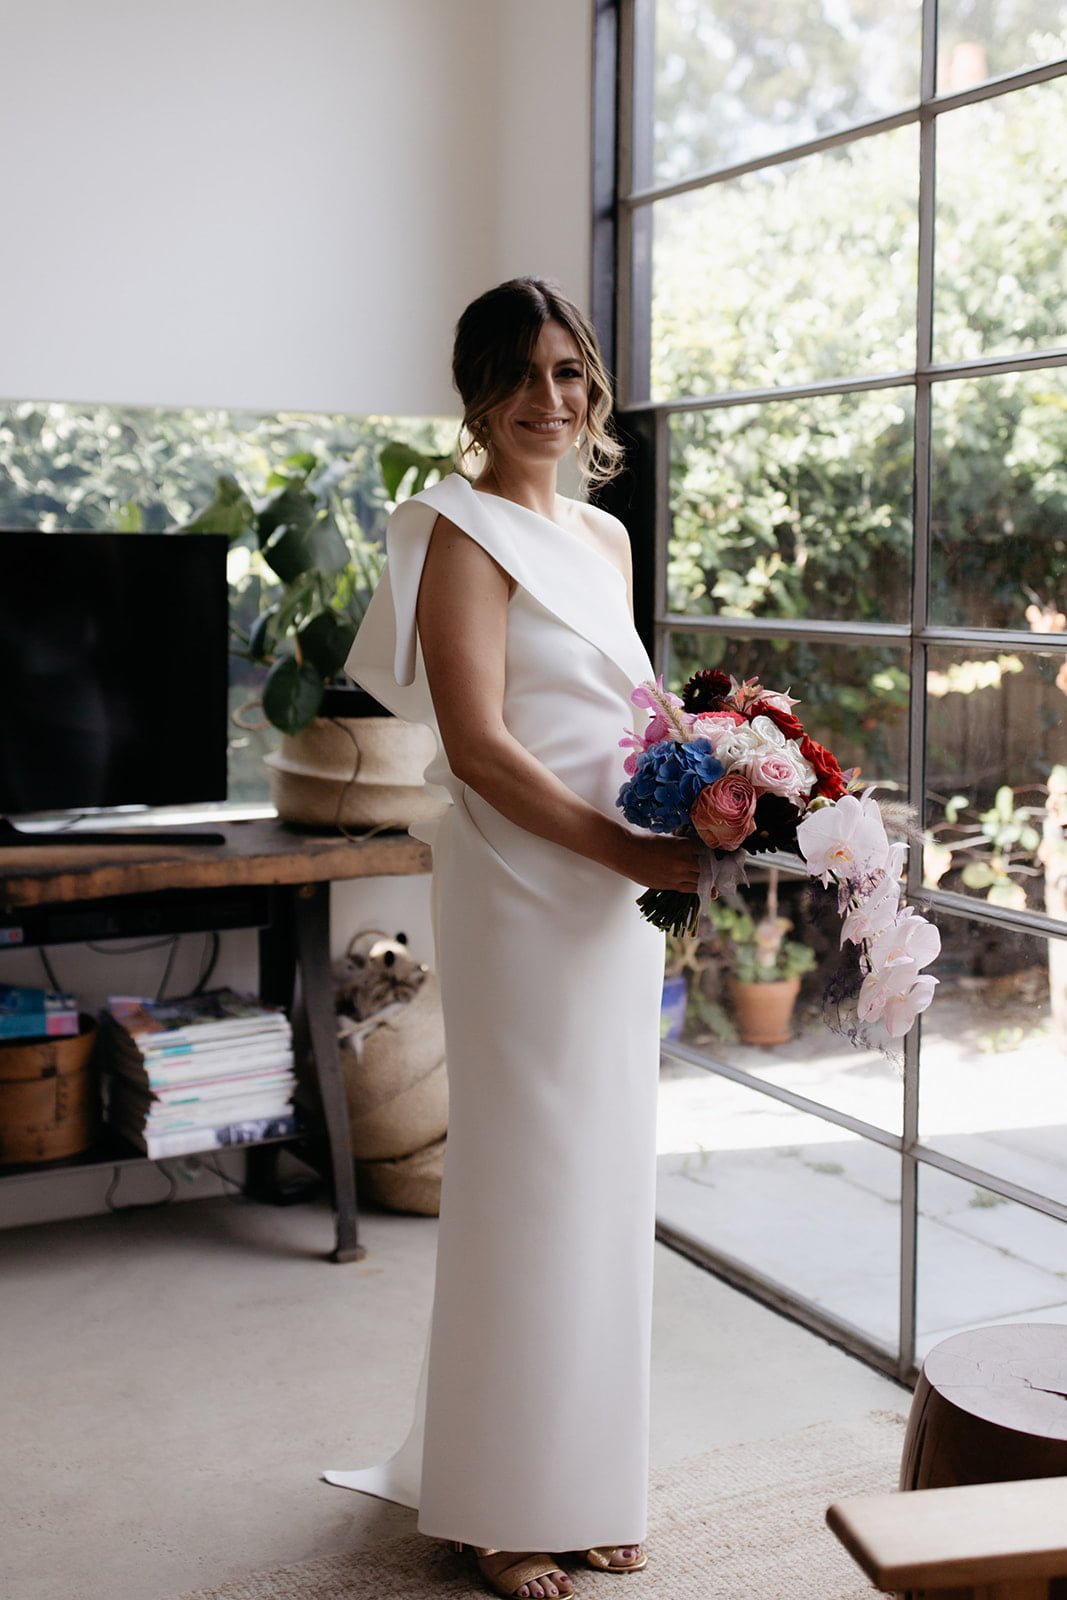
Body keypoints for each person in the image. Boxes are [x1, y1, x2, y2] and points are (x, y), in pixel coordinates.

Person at [325, 278, 702, 1599]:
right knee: (527, 1183)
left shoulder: (603, 536)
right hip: (521, 886)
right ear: (478, 391)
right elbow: (481, 748)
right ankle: (500, 1506)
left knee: (603, 1182)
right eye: (524, 373)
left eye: (570, 372)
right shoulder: (456, 529)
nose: (551, 398)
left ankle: (585, 1482)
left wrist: (714, 796)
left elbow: (626, 716)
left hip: (611, 897)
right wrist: (631, 851)